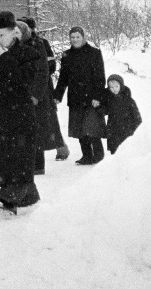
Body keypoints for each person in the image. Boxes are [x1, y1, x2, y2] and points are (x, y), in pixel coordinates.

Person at [0, 11, 42, 214]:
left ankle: (14, 197)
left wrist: (5, 59)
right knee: (3, 157)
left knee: (20, 156)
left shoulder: (28, 53)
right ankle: (21, 196)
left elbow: (23, 82)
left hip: (20, 114)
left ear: (14, 32)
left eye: (1, 35)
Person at [54, 26, 106, 165]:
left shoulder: (94, 53)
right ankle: (87, 156)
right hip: (75, 97)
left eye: (77, 37)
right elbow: (63, 78)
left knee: (92, 128)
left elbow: (100, 77)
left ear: (83, 37)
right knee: (80, 129)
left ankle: (98, 155)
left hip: (91, 97)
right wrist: (57, 95)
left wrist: (98, 96)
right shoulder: (67, 55)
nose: (75, 40)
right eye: (72, 37)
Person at [23, 16, 69, 161]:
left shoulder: (42, 43)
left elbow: (51, 66)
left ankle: (61, 148)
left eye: (28, 27)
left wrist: (37, 70)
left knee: (50, 120)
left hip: (44, 88)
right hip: (27, 89)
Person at [16, 20, 59, 176]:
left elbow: (43, 71)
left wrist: (35, 95)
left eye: (18, 32)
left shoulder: (38, 44)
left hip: (37, 94)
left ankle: (38, 166)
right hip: (19, 94)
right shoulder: (12, 47)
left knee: (37, 130)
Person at [102, 74, 142, 155]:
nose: (114, 89)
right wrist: (98, 107)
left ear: (121, 86)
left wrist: (134, 130)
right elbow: (105, 111)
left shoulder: (128, 100)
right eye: (111, 87)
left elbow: (137, 117)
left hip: (126, 131)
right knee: (114, 152)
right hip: (113, 131)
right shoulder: (109, 99)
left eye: (116, 86)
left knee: (125, 153)